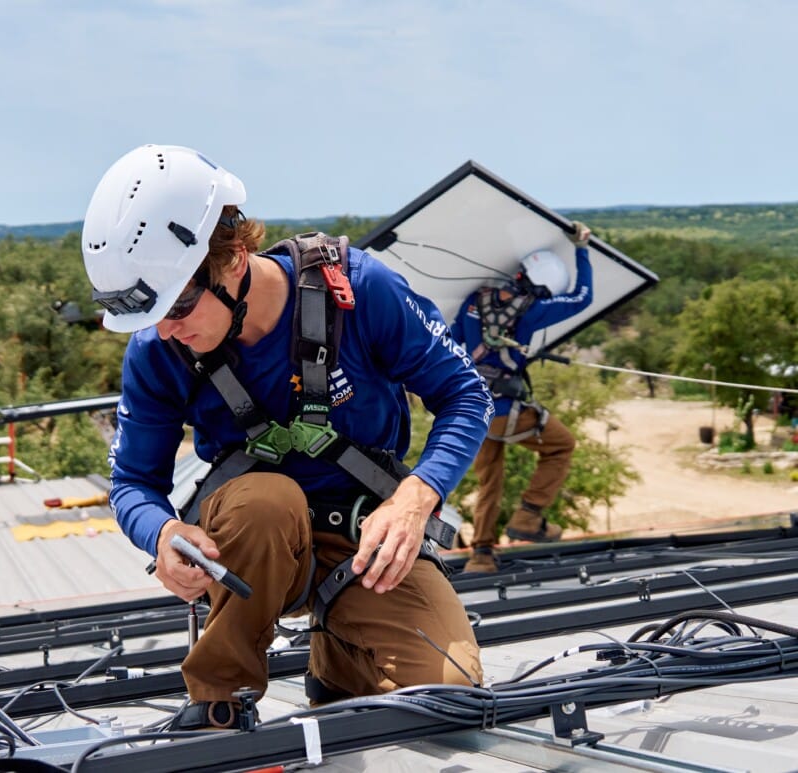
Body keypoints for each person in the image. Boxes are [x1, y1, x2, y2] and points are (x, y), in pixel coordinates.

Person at [82, 144, 494, 729]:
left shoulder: (360, 291)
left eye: (177, 305)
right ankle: (219, 700)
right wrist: (164, 533)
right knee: (267, 502)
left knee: (448, 696)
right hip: (253, 545)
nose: (166, 331)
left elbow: (467, 395)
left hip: (365, 537)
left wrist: (414, 499)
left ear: (232, 257)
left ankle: (340, 661)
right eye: (151, 318)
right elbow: (132, 484)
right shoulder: (158, 349)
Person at [453, 223, 594, 574]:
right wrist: (582, 250)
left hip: (472, 411)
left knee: (490, 481)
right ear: (543, 288)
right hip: (504, 410)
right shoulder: (533, 310)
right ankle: (528, 517)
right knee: (561, 445)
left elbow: (453, 345)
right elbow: (582, 297)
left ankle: (481, 555)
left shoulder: (475, 300)